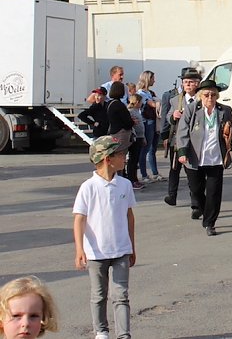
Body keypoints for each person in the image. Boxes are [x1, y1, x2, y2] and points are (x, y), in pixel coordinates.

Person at [73, 136, 136, 339]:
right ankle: (101, 331)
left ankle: (124, 334)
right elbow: (79, 220)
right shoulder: (88, 187)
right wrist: (80, 250)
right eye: (121, 154)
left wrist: (132, 247)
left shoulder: (125, 185)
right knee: (99, 295)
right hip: (96, 252)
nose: (124, 158)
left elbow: (129, 216)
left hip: (121, 249)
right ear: (108, 159)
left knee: (121, 295)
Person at [176, 79, 232, 236]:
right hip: (195, 157)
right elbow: (182, 131)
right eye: (206, 95)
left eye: (213, 95)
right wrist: (182, 152)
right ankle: (202, 209)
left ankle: (210, 222)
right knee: (196, 190)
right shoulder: (191, 109)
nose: (210, 98)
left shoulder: (224, 110)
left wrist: (231, 132)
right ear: (200, 96)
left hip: (215, 158)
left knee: (214, 192)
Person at [161, 67, 202, 211]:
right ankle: (172, 196)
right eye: (185, 82)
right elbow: (168, 117)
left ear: (198, 83)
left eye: (191, 82)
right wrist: (173, 116)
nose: (188, 85)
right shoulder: (175, 100)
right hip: (177, 140)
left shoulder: (202, 99)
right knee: (174, 169)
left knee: (193, 172)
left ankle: (195, 201)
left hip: (196, 141)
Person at [136, 71, 162, 184]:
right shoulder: (141, 93)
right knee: (145, 148)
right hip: (147, 121)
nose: (154, 80)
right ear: (147, 79)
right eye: (153, 78)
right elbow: (152, 104)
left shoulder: (150, 92)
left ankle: (155, 173)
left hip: (154, 121)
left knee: (153, 149)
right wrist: (159, 102)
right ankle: (144, 174)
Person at [106, 82, 134, 162]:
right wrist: (132, 122)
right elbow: (127, 122)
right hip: (121, 133)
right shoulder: (119, 105)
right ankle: (120, 173)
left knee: (114, 156)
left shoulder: (109, 104)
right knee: (120, 157)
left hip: (113, 132)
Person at [126, 94, 146, 190]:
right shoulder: (130, 112)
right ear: (137, 102)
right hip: (135, 138)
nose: (142, 104)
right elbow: (133, 125)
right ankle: (131, 179)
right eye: (141, 102)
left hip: (140, 137)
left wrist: (143, 137)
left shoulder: (136, 111)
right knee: (133, 159)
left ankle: (135, 179)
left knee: (136, 159)